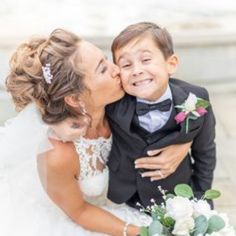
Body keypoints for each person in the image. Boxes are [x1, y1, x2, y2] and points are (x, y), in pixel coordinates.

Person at [0, 28, 191, 236]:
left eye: (106, 59)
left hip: (134, 203)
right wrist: (142, 232)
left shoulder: (119, 99)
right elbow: (79, 212)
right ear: (74, 98)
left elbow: (186, 102)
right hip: (83, 219)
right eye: (102, 69)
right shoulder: (57, 154)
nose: (117, 69)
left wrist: (183, 144)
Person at [106, 22, 216, 209]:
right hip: (128, 197)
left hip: (178, 196)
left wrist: (201, 198)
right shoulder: (112, 104)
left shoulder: (195, 99)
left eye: (146, 60)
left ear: (170, 64)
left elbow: (205, 152)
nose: (136, 70)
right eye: (126, 64)